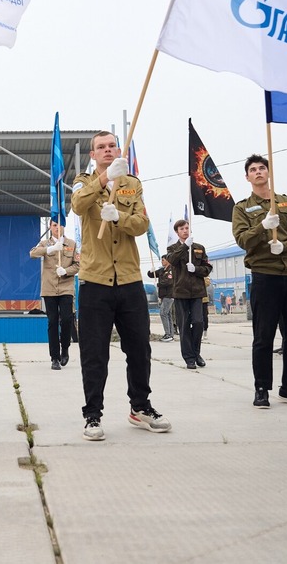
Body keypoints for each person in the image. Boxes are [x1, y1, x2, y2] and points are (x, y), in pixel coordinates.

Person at [70, 131, 170, 441]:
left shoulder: (132, 184)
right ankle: (93, 415)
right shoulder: (83, 181)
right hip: (95, 280)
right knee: (95, 353)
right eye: (101, 147)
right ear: (93, 155)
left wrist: (118, 219)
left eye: (112, 145)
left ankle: (140, 407)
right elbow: (77, 205)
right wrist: (102, 182)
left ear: (118, 150)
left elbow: (141, 224)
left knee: (139, 348)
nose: (107, 151)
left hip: (129, 279)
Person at [231, 154, 287, 409]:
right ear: (247, 177)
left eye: (262, 168)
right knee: (264, 335)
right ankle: (262, 388)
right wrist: (262, 228)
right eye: (253, 169)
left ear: (269, 172)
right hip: (264, 275)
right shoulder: (242, 208)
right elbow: (243, 240)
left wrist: (285, 245)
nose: (258, 172)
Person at [29, 221, 80, 370]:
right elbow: (32, 253)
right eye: (54, 225)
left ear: (64, 226)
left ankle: (65, 347)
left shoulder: (72, 244)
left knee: (66, 319)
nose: (57, 228)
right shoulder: (45, 243)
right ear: (50, 228)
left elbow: (78, 264)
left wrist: (66, 271)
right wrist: (49, 249)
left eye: (60, 225)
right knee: (52, 322)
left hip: (66, 287)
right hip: (49, 288)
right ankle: (55, 358)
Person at [166, 219, 212, 369]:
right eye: (182, 229)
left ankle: (196, 352)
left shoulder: (199, 248)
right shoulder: (172, 248)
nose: (185, 230)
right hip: (181, 291)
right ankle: (189, 357)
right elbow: (172, 260)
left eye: (187, 228)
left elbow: (207, 268)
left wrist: (196, 270)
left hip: (197, 291)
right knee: (184, 325)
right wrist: (185, 246)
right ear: (177, 232)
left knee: (199, 322)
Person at [146, 257, 174, 341]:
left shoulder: (171, 270)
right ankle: (170, 334)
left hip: (169, 295)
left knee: (163, 313)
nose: (162, 261)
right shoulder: (162, 270)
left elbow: (169, 282)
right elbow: (152, 275)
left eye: (163, 260)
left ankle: (168, 334)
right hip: (163, 295)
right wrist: (150, 271)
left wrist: (158, 284)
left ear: (168, 261)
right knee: (167, 314)